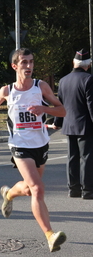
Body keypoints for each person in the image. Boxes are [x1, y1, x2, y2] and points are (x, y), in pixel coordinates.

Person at [0, 48, 67, 252]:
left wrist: (44, 109)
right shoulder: (7, 91)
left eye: (31, 62)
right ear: (15, 66)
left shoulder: (41, 87)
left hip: (40, 144)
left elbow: (63, 110)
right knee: (38, 189)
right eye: (24, 62)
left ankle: (9, 194)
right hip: (20, 145)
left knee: (31, 189)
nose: (29, 66)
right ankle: (50, 235)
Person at [53, 49, 93, 199]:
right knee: (87, 158)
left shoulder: (63, 80)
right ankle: (88, 190)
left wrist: (57, 122)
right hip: (86, 125)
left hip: (69, 125)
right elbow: (91, 105)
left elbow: (60, 104)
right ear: (88, 65)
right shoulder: (89, 80)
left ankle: (73, 189)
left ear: (73, 63)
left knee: (72, 157)